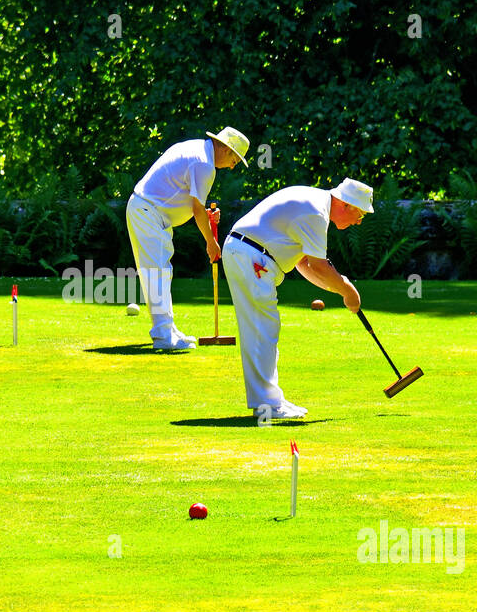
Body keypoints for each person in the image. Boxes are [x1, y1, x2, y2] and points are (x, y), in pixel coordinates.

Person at [220, 178, 373, 418]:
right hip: (252, 257)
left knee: (264, 328)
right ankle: (267, 405)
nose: (358, 221)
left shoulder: (314, 203)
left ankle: (271, 399)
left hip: (247, 254)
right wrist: (347, 290)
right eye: (359, 214)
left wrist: (339, 290)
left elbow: (304, 264)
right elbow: (319, 266)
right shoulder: (316, 213)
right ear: (345, 204)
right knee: (262, 329)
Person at [126, 127, 250, 351]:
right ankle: (163, 335)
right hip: (148, 212)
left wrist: (205, 214)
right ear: (223, 148)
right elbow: (196, 208)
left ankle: (168, 329)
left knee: (162, 271)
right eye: (234, 158)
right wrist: (211, 243)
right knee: (157, 271)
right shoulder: (204, 164)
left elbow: (190, 199)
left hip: (150, 212)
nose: (234, 166)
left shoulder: (197, 150)